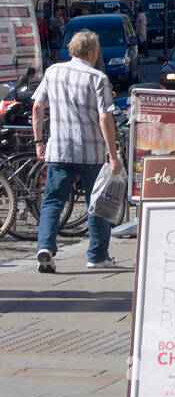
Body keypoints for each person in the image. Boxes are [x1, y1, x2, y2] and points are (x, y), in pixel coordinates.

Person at [32, 28, 123, 273]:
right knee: (97, 203)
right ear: (92, 52)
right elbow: (105, 118)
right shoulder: (97, 78)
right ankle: (97, 255)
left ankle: (45, 247)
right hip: (90, 151)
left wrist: (39, 141)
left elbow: (38, 107)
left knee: (52, 201)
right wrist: (113, 155)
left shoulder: (53, 72)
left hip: (59, 149)